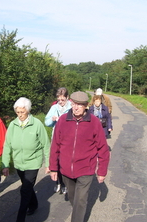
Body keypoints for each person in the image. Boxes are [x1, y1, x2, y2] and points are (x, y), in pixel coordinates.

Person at [49, 91, 110, 222]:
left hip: (85, 169)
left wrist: (102, 171)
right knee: (73, 198)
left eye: (80, 105)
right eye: (74, 104)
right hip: (65, 170)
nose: (76, 107)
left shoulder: (94, 122)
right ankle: (77, 212)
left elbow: (103, 149)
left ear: (86, 106)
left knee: (80, 200)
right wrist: (53, 168)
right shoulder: (63, 121)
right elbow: (55, 146)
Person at [2, 97, 50, 222]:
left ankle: (20, 218)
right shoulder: (13, 125)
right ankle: (34, 204)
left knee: (25, 190)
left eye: (22, 112)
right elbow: (7, 145)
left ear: (28, 110)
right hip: (19, 163)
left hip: (33, 163)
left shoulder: (37, 124)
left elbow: (46, 144)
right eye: (17, 112)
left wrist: (48, 164)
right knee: (27, 186)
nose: (20, 115)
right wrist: (5, 164)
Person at [45, 87, 71, 194]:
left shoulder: (71, 107)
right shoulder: (54, 107)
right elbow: (46, 122)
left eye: (63, 100)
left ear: (67, 98)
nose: (60, 102)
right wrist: (52, 120)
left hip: (69, 139)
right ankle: (58, 183)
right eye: (59, 100)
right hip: (57, 138)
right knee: (57, 161)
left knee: (66, 162)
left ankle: (65, 184)